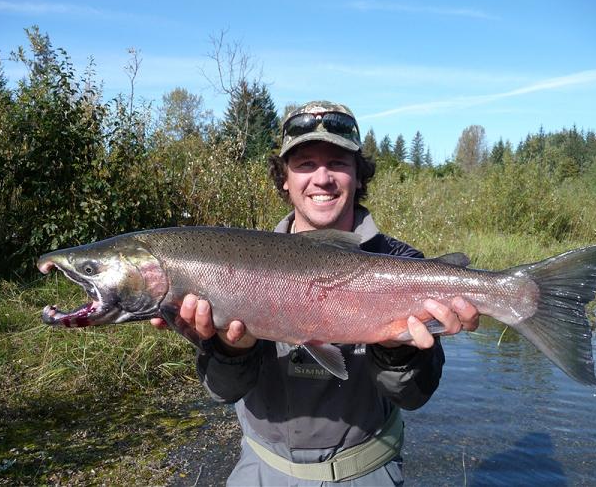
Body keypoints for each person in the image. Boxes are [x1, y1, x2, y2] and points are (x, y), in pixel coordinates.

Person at [151, 101, 480, 486]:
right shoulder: (234, 266)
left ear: (359, 176)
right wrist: (229, 349)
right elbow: (224, 392)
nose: (321, 178)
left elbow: (413, 396)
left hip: (367, 472)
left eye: (338, 163)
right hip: (261, 472)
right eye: (305, 164)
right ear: (285, 179)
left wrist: (398, 349)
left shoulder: (401, 263)